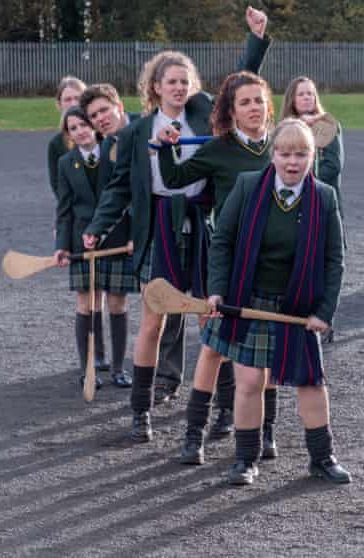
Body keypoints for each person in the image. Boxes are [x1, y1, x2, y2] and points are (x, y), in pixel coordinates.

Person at [82, 7, 271, 443]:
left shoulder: (206, 112)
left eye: (185, 81)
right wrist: (98, 226)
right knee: (154, 323)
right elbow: (118, 190)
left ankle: (225, 411)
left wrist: (256, 40)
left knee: (213, 320)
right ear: (156, 87)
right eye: (172, 81)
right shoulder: (135, 134)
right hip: (159, 229)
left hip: (203, 226)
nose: (180, 87)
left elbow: (242, 83)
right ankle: (140, 411)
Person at [201, 118, 348, 485]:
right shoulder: (249, 186)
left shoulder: (325, 198)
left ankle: (322, 458)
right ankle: (245, 459)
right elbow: (222, 240)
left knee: (311, 382)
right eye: (284, 153)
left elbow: (334, 260)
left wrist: (324, 312)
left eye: (301, 154)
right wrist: (217, 289)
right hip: (249, 299)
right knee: (249, 381)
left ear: (312, 157)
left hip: (297, 305)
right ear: (273, 155)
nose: (292, 162)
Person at [155, 71, 275, 461]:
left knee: (266, 350)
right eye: (245, 102)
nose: (254, 108)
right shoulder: (218, 148)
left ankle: (266, 432)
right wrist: (166, 146)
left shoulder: (282, 146)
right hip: (228, 262)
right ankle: (195, 435)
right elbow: (174, 178)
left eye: (259, 100)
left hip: (272, 263)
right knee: (214, 348)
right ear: (230, 111)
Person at [54, 107, 137, 389]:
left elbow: (131, 196)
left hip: (117, 242)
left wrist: (134, 236)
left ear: (95, 126)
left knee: (117, 304)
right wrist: (61, 246)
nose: (81, 131)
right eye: (73, 128)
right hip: (81, 245)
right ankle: (88, 368)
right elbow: (64, 210)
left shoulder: (115, 152)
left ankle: (117, 369)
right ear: (69, 134)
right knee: (87, 306)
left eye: (84, 124)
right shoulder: (66, 163)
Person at [281, 76, 344, 216]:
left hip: (323, 201)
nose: (306, 97)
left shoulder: (328, 126)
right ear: (292, 99)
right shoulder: (284, 128)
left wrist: (304, 184)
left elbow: (333, 166)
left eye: (310, 94)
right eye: (301, 94)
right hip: (291, 204)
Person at [48, 76, 87, 201]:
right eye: (67, 99)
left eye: (78, 98)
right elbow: (58, 186)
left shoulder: (101, 134)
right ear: (59, 104)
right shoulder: (56, 144)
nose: (73, 104)